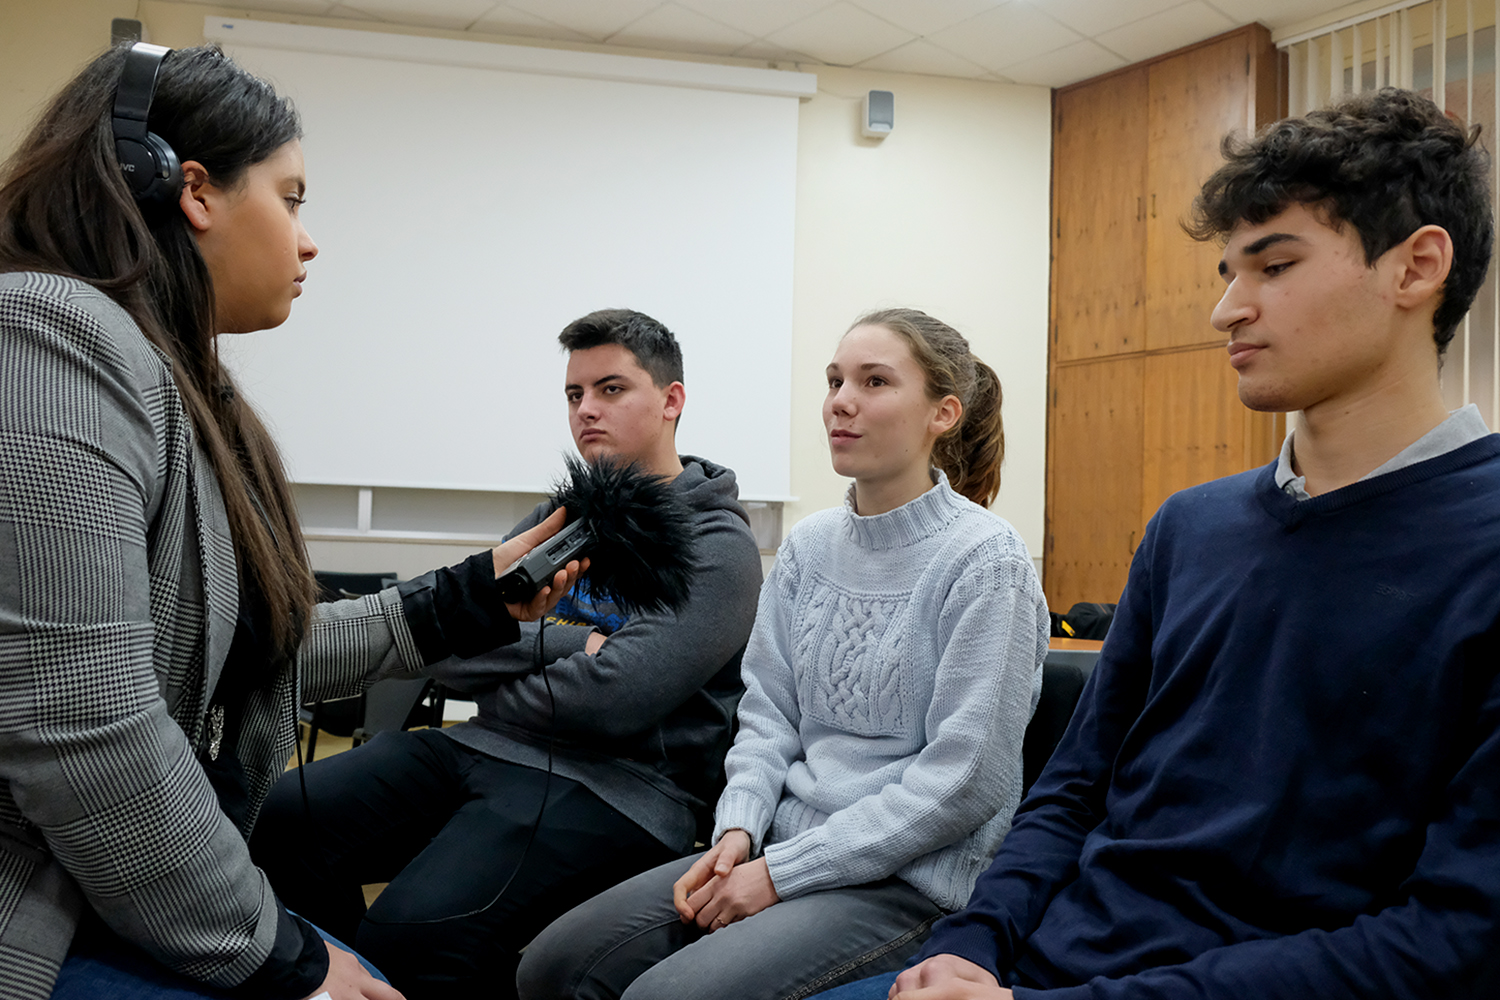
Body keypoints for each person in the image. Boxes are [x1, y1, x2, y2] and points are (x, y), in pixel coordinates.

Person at [817, 89, 1500, 1000]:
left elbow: (1454, 938)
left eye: (1274, 265)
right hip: (1029, 966)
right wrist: (976, 942)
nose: (1226, 310)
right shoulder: (1192, 527)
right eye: (1229, 272)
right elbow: (1073, 791)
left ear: (1416, 267)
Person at [0, 42, 586, 1000]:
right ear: (193, 191)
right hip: (42, 908)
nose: (308, 240)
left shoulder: (176, 382)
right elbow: (81, 723)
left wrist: (465, 602)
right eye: (292, 196)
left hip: (112, 885)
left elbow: (236, 649)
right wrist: (286, 961)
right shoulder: (48, 334)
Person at [516, 308, 1050, 1000]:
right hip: (778, 848)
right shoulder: (810, 547)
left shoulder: (987, 562)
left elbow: (964, 780)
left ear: (942, 412)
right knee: (551, 966)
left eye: (875, 381)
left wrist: (779, 875)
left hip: (905, 883)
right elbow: (767, 717)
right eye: (834, 381)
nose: (841, 402)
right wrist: (737, 831)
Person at [249, 308, 765, 1000]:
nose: (586, 411)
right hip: (483, 744)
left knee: (412, 935)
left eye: (610, 390)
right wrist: (565, 643)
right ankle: (352, 983)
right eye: (574, 395)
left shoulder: (719, 546)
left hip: (618, 789)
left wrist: (509, 674)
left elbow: (615, 699)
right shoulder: (564, 518)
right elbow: (448, 643)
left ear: (671, 401)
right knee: (273, 822)